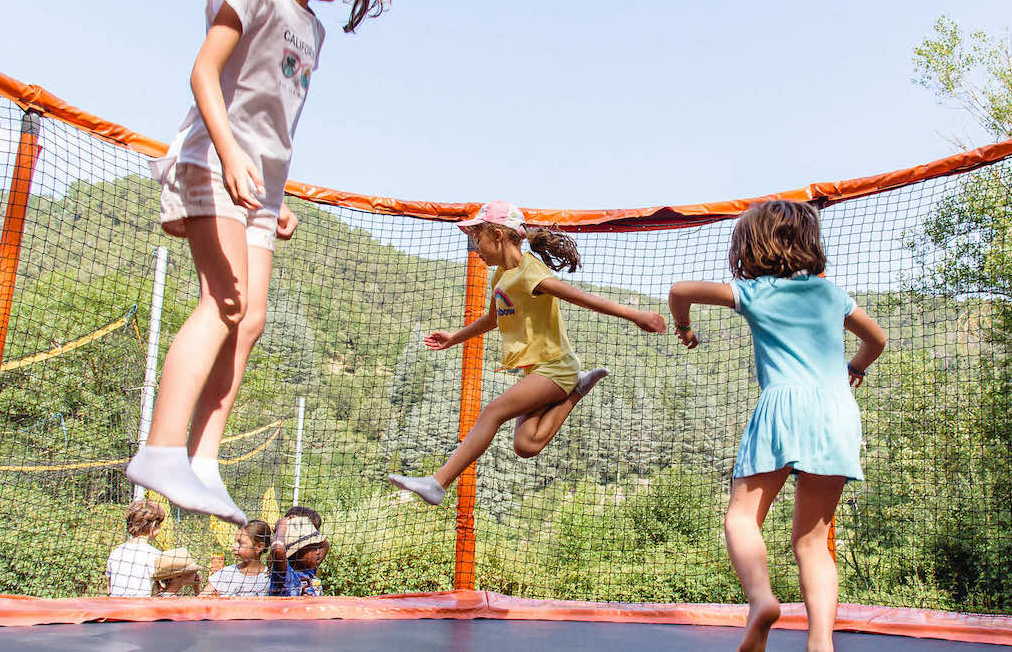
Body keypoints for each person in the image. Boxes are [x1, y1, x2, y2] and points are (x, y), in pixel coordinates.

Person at [125, 0, 397, 524]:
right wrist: (228, 153)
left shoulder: (314, 31)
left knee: (250, 321)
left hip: (260, 190)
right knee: (225, 302)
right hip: (212, 160)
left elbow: (274, 121)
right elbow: (204, 73)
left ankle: (203, 461)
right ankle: (159, 450)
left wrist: (276, 199)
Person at [667, 200, 886, 652]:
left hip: (782, 407)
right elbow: (877, 339)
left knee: (741, 518)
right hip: (837, 412)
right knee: (813, 541)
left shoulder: (755, 292)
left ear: (751, 246)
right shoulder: (832, 294)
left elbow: (679, 290)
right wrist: (856, 367)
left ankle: (761, 600)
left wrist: (684, 327)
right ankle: (820, 641)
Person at [388, 200, 667, 505]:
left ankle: (438, 483)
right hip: (536, 371)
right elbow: (492, 319)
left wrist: (635, 315)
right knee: (526, 445)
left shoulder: (529, 270)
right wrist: (455, 338)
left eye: (478, 238)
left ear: (497, 235)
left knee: (492, 412)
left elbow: (581, 297)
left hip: (556, 366)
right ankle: (577, 390)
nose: (475, 247)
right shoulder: (500, 277)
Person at [107, 499, 166, 597]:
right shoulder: (155, 555)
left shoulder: (116, 551)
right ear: (153, 526)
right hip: (141, 605)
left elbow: (109, 588)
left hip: (114, 604)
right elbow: (162, 588)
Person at [202, 519, 272, 597]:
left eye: (240, 543)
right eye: (235, 542)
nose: (234, 547)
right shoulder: (226, 573)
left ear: (259, 547)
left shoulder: (269, 577)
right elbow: (201, 598)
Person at [269, 512, 329, 596]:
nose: (318, 552)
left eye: (318, 547)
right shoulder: (284, 575)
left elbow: (326, 544)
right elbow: (278, 550)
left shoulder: (309, 570)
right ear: (298, 552)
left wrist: (302, 525)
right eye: (314, 548)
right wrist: (281, 526)